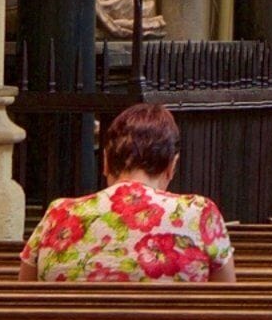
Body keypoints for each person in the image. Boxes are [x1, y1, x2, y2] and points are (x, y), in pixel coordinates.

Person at [20, 102, 235, 282]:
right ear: (172, 166)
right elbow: (226, 308)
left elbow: (24, 298)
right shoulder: (199, 214)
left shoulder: (59, 214)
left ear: (105, 161)